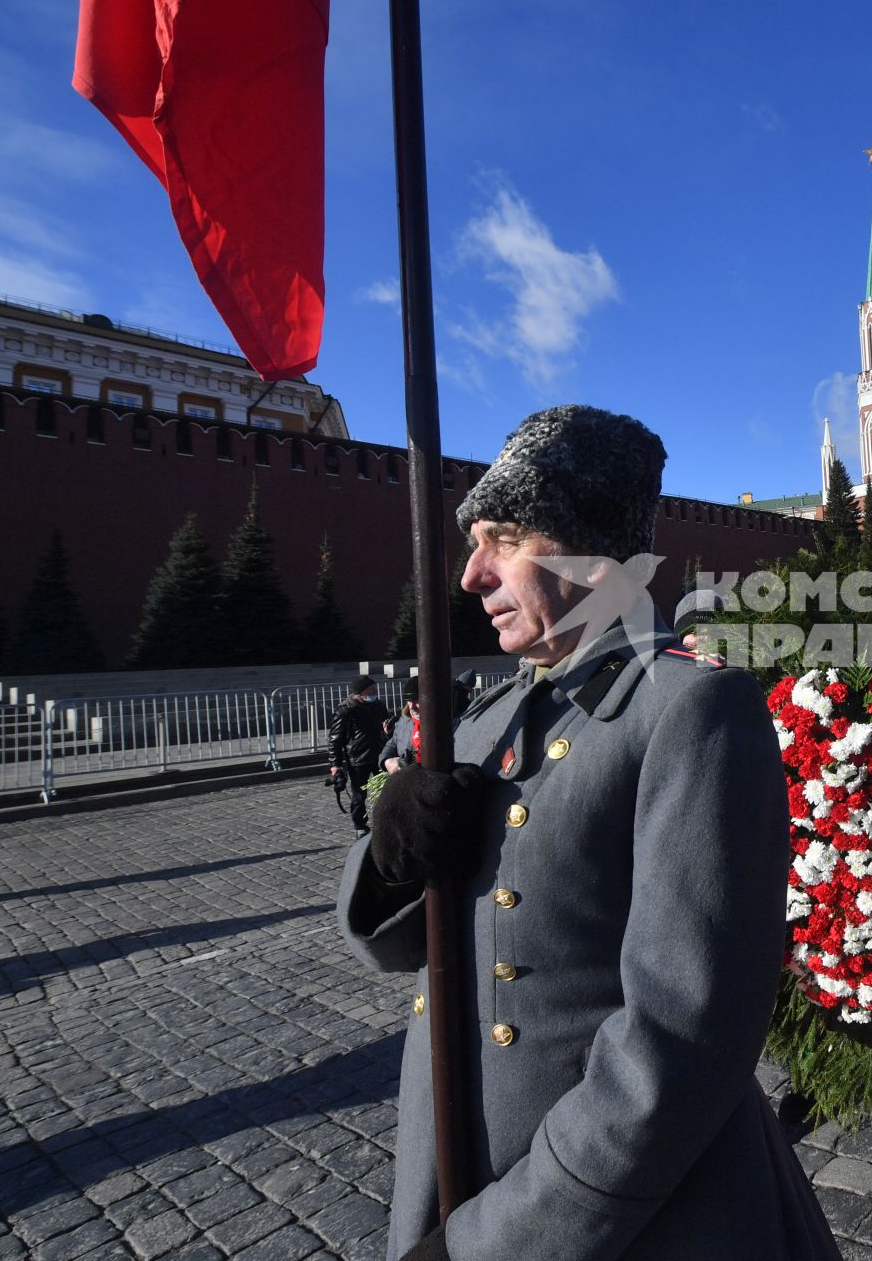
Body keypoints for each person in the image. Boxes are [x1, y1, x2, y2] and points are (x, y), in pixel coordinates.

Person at [335, 405, 838, 1261]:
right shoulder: (493, 719)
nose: (470, 576)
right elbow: (402, 949)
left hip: (611, 1220)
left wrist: (490, 1243)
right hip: (457, 1170)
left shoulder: (690, 711)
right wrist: (388, 860)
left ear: (590, 556)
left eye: (503, 539)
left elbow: (679, 1045)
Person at [328, 674, 389, 837]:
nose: (375, 692)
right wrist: (336, 765)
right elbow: (335, 740)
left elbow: (386, 727)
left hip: (380, 755)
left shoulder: (379, 705)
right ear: (360, 693)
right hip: (357, 759)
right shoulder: (345, 710)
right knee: (359, 795)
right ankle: (360, 825)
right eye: (371, 689)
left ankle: (386, 821)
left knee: (386, 790)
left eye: (375, 689)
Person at [381, 677, 422, 775]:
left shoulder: (449, 723)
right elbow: (393, 743)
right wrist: (387, 761)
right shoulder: (404, 720)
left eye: (416, 701)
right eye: (409, 701)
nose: (412, 707)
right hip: (405, 779)